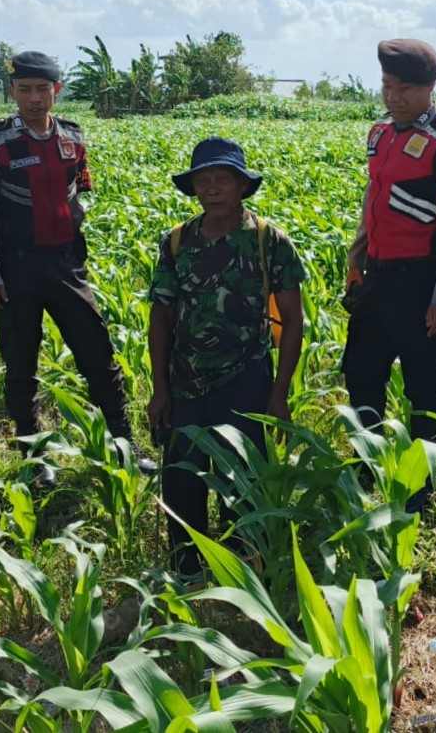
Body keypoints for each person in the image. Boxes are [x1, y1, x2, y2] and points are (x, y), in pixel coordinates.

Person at [0, 50, 149, 489]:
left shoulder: (72, 135)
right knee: (21, 362)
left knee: (98, 354)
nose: (34, 98)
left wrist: (74, 227)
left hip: (66, 264)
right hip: (16, 269)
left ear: (57, 91)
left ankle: (124, 444)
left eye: (42, 89)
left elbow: (78, 192)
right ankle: (33, 457)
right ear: (12, 92)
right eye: (24, 89)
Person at [147, 137, 306, 578]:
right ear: (193, 187)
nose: (213, 186)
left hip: (248, 379)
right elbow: (160, 316)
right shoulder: (177, 242)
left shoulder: (269, 241)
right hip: (187, 381)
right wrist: (160, 389)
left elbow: (292, 320)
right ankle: (188, 568)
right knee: (182, 478)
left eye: (223, 178)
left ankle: (240, 569)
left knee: (244, 481)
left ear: (241, 186)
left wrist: (280, 393)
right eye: (204, 178)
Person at [342, 38, 436, 513]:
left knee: (424, 385)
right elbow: (372, 199)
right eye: (387, 86)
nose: (393, 96)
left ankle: (422, 487)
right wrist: (356, 256)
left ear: (429, 88)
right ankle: (364, 465)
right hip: (378, 277)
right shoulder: (379, 135)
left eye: (404, 88)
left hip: (420, 282)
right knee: (361, 372)